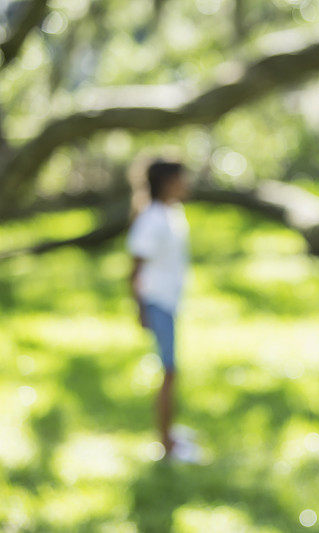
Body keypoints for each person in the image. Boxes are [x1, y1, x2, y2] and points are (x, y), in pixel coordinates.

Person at [128, 160, 189, 459]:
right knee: (169, 370)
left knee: (171, 371)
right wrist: (140, 309)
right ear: (166, 182)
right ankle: (166, 443)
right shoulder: (151, 219)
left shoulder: (173, 213)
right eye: (180, 179)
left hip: (170, 301)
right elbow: (135, 268)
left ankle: (170, 432)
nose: (185, 184)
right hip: (157, 302)